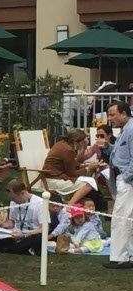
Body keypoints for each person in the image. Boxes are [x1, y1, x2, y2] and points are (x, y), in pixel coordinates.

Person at [0, 180, 45, 254]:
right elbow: (12, 221)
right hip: (14, 235)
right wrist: (3, 225)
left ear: (22, 193)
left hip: (30, 235)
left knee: (37, 238)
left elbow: (44, 228)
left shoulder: (40, 203)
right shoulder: (13, 202)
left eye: (14, 198)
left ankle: (1, 249)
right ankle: (19, 249)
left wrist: (24, 234)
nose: (13, 201)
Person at [106, 100, 133, 269]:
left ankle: (120, 257)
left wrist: (127, 177)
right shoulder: (126, 129)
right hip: (122, 178)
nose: (110, 118)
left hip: (127, 179)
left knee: (121, 218)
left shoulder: (131, 130)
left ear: (124, 113)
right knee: (126, 218)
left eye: (112, 114)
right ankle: (127, 255)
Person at [41, 129, 100, 206]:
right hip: (53, 181)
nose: (85, 143)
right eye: (83, 142)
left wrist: (85, 165)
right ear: (76, 141)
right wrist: (87, 169)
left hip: (51, 178)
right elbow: (72, 174)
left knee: (88, 179)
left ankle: (74, 201)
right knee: (89, 184)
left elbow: (72, 164)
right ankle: (69, 205)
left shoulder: (61, 144)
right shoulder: (68, 150)